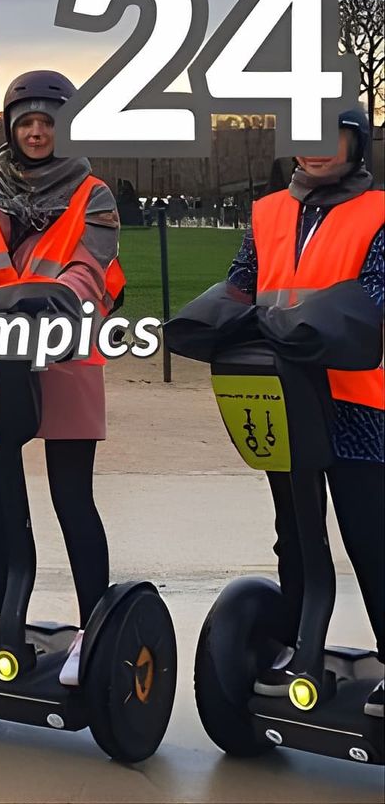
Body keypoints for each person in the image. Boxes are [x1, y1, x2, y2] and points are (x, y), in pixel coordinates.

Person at [0, 70, 124, 686]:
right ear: (12, 131)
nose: (38, 132)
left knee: (71, 495)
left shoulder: (94, 193)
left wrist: (45, 300)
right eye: (28, 123)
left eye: (49, 122)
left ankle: (91, 623)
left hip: (65, 355)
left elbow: (88, 270)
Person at [225, 108, 383, 717]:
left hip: (356, 400)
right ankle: (299, 649)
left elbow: (374, 292)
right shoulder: (268, 212)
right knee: (295, 535)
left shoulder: (378, 212)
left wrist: (294, 325)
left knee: (368, 534)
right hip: (281, 392)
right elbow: (243, 282)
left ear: (355, 143)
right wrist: (213, 318)